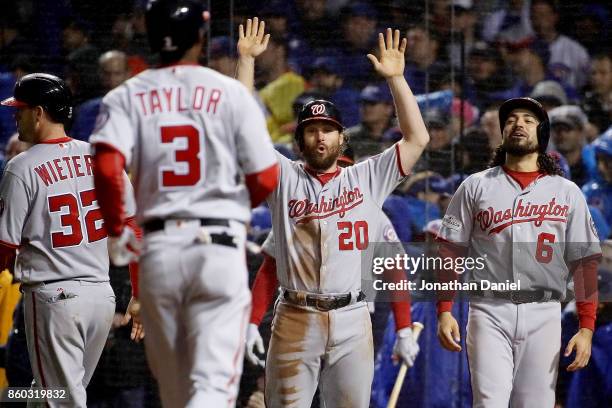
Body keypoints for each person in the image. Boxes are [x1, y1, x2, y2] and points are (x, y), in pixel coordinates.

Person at [89, 1, 279, 407]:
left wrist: (120, 229)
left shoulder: (125, 95)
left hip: (159, 252)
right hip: (216, 246)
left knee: (173, 386)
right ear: (201, 37)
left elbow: (106, 170)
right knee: (213, 385)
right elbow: (266, 176)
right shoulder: (228, 91)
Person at [236, 23, 430, 407]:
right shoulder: (283, 176)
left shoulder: (367, 178)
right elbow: (239, 130)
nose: (320, 137)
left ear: (343, 137)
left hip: (353, 317)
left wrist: (396, 80)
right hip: (294, 314)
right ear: (299, 140)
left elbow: (417, 139)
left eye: (328, 129)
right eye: (312, 130)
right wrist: (245, 62)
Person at [436, 97, 601, 407]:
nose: (518, 124)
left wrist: (586, 327)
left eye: (528, 119)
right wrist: (444, 309)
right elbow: (449, 250)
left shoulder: (567, 192)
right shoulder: (476, 186)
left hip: (544, 311)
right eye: (511, 120)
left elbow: (585, 264)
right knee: (489, 402)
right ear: (502, 132)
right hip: (489, 309)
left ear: (542, 132)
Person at [0, 73, 141, 407]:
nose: (14, 116)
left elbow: (4, 249)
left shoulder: (21, 167)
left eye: (20, 109)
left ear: (38, 113)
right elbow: (134, 229)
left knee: (61, 399)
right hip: (101, 300)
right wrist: (139, 293)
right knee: (45, 394)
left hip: (54, 300)